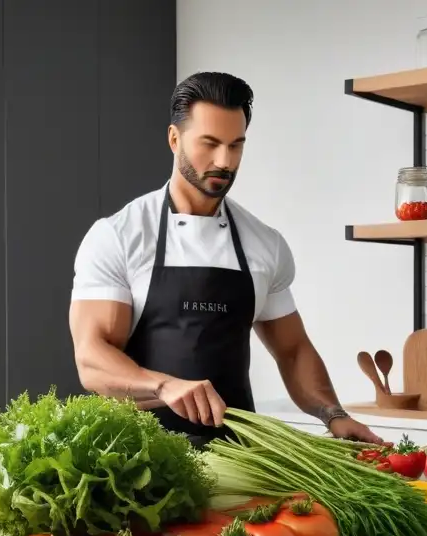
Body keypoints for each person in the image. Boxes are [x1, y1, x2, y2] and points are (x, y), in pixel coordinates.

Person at [69, 71, 379, 447]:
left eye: (236, 146)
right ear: (174, 139)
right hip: (140, 462)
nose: (224, 161)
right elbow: (92, 357)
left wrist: (334, 415)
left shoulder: (265, 244)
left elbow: (293, 350)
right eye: (210, 143)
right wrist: (163, 386)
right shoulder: (119, 235)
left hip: (239, 457)